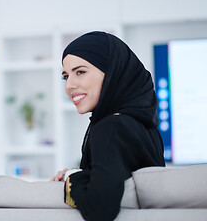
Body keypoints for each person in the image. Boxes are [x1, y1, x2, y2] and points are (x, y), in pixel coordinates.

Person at [51, 31, 165, 221]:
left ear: (112, 72)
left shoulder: (111, 128)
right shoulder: (143, 125)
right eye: (66, 76)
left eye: (80, 72)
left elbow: (101, 209)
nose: (69, 85)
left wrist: (70, 177)